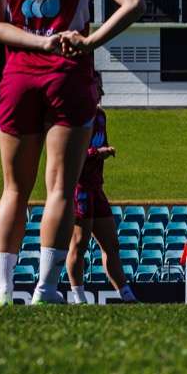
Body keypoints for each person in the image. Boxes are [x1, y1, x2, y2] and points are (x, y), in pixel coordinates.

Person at [0, 0, 143, 306]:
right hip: (68, 79)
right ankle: (45, 290)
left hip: (18, 80)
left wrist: (37, 40)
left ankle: (0, 291)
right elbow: (133, 3)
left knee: (13, 189)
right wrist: (88, 41)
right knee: (59, 188)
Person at [66, 102, 136, 304]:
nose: (96, 92)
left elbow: (99, 145)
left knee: (111, 245)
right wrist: (97, 153)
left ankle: (127, 296)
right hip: (80, 188)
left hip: (97, 187)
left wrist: (101, 152)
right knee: (79, 244)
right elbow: (71, 152)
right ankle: (79, 298)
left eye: (98, 88)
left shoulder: (100, 116)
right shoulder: (74, 114)